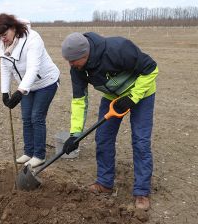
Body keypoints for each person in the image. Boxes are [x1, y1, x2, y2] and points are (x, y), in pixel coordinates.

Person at [61, 32, 158, 210]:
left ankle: (141, 192)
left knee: (140, 141)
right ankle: (104, 183)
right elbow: (79, 100)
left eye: (73, 60)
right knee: (103, 138)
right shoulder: (78, 70)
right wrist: (74, 134)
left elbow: (152, 68)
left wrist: (133, 97)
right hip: (113, 97)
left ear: (85, 54)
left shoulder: (118, 49)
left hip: (142, 94)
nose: (71, 64)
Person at [0, 13, 60, 168]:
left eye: (4, 35)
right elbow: (4, 66)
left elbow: (32, 68)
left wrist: (19, 91)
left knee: (36, 117)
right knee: (26, 117)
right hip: (26, 85)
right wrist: (5, 92)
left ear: (14, 28)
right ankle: (28, 152)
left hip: (46, 82)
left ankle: (39, 155)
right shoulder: (2, 43)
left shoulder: (33, 39)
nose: (3, 39)